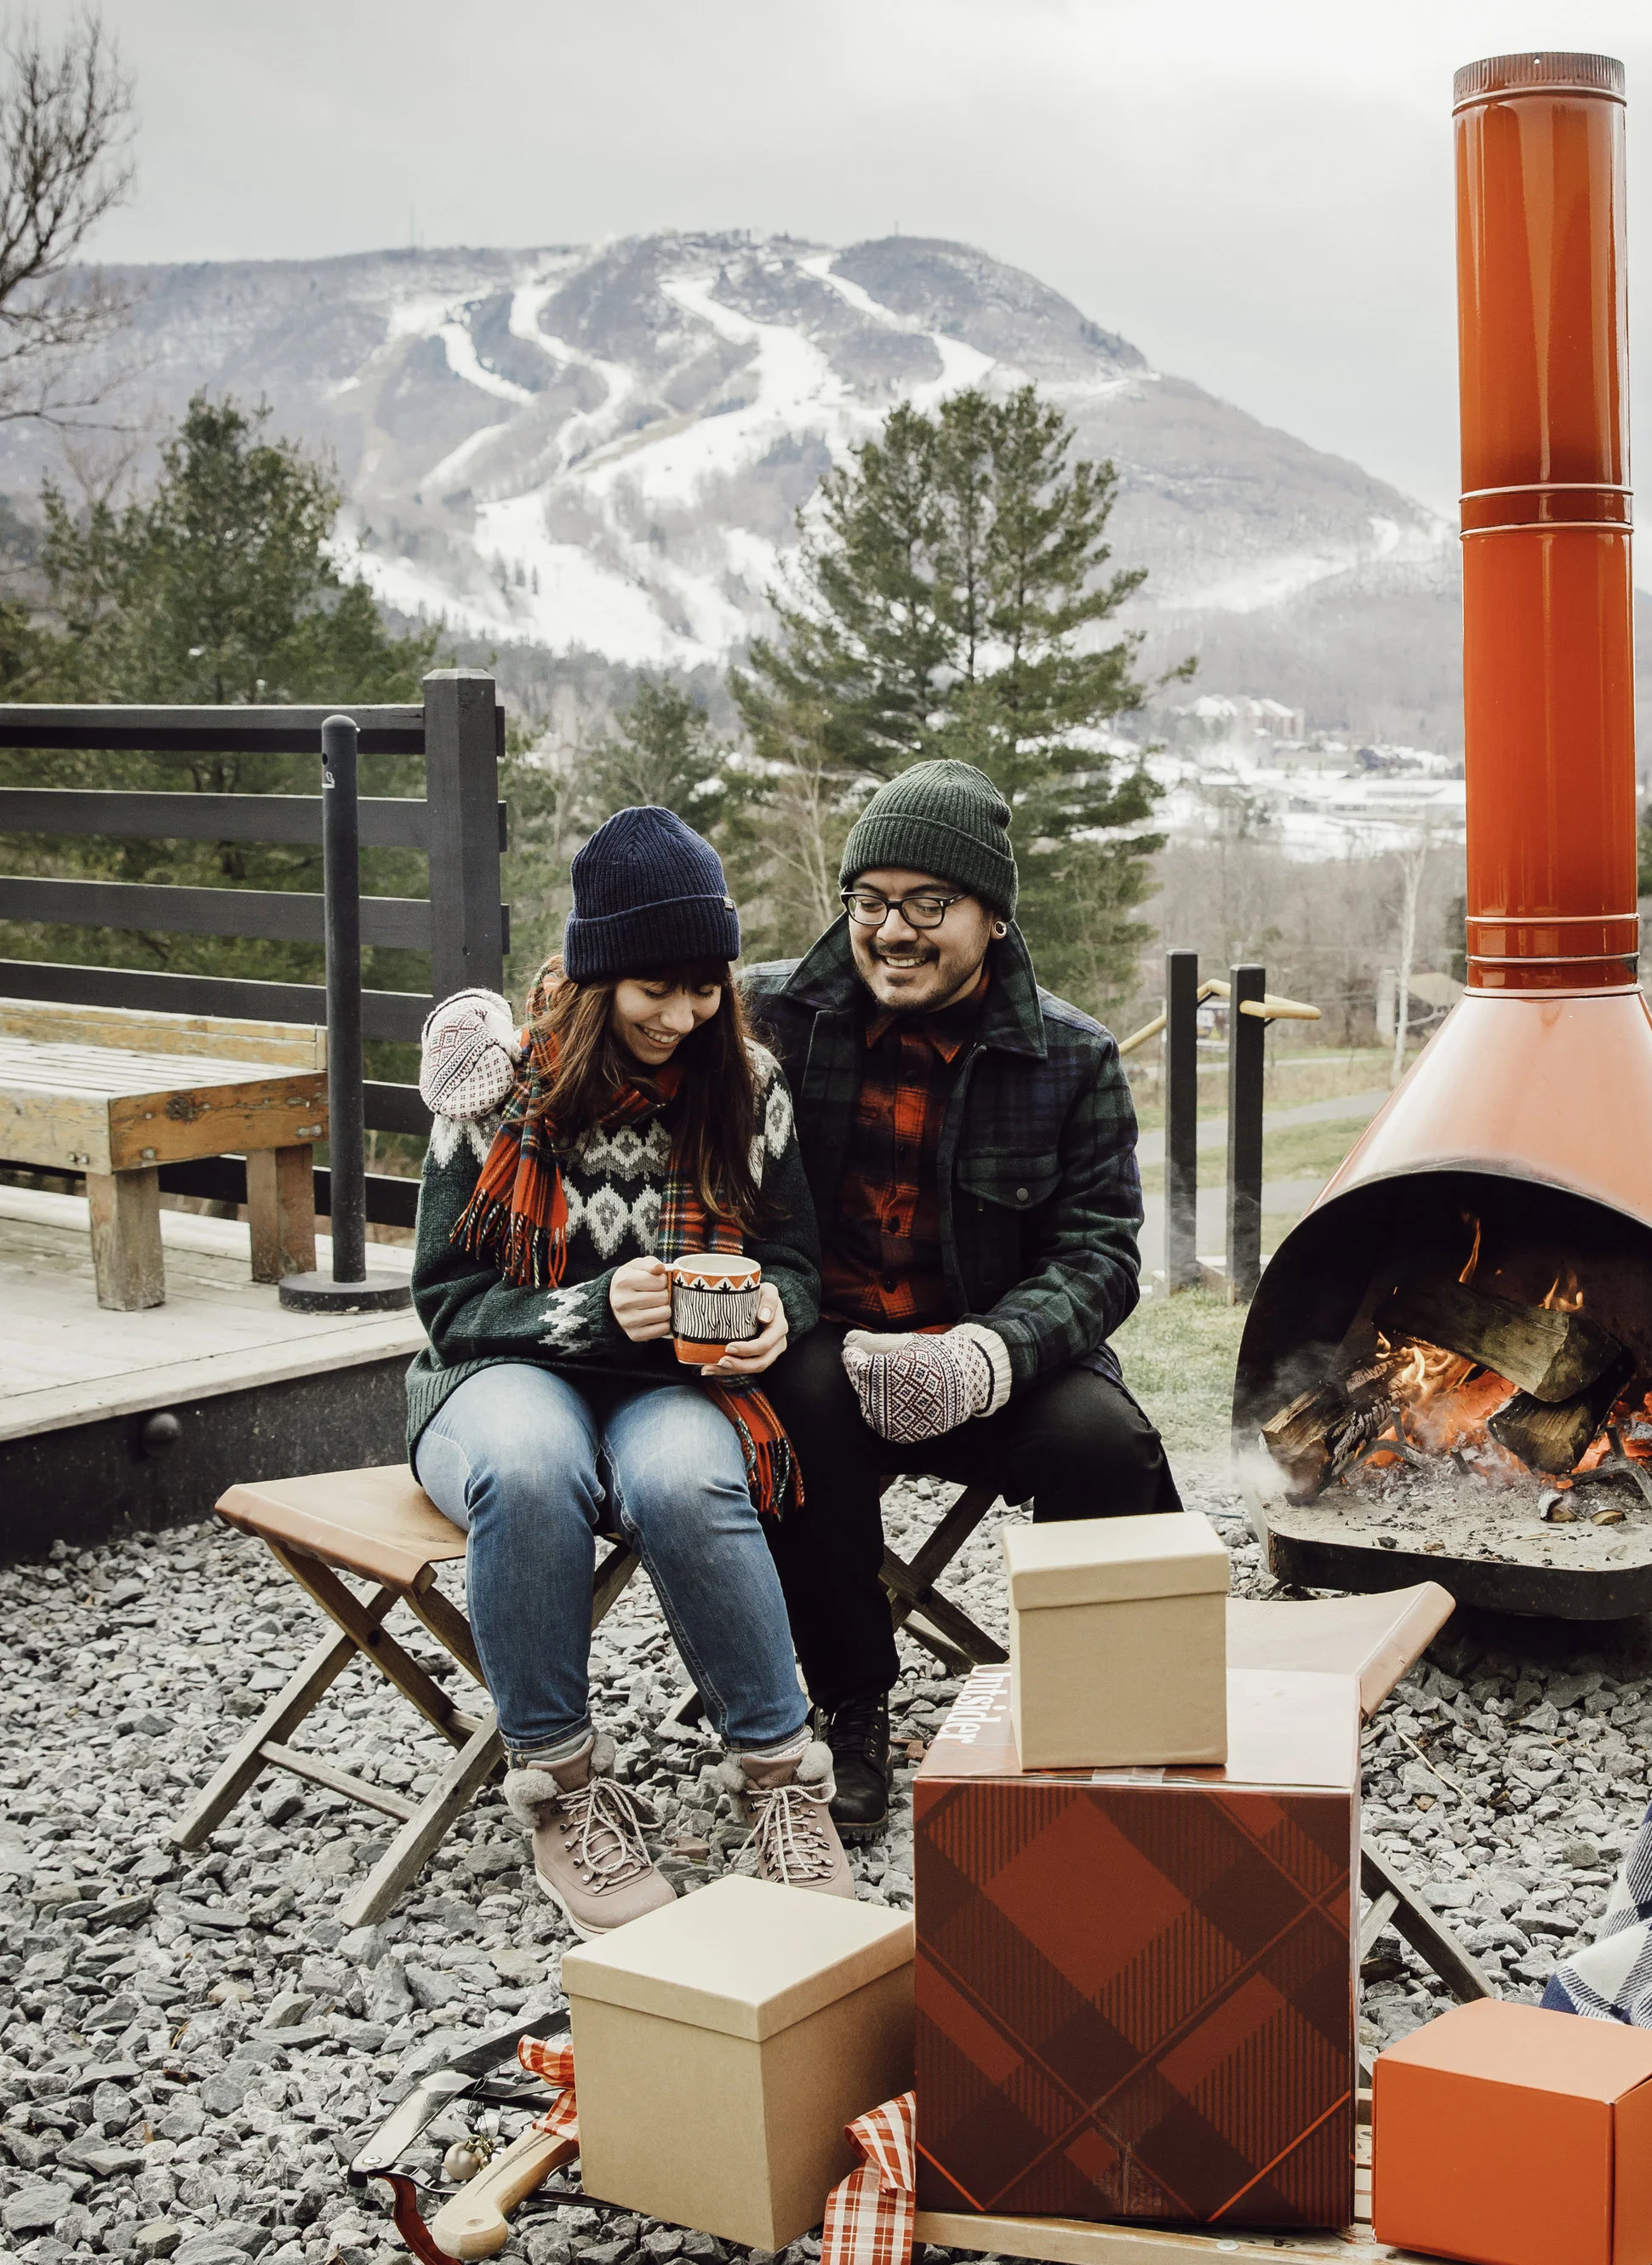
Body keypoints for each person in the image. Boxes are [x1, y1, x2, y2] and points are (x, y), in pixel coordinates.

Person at [409, 804, 851, 1930]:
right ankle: (560, 1786)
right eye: (657, 988)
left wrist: (771, 1319)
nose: (683, 1013)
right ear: (602, 978)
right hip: (500, 1374)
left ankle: (784, 1782)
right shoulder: (500, 1090)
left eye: (705, 986)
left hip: (673, 1384)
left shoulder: (747, 1084)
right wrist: (588, 1308)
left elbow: (799, 1265)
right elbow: (449, 1304)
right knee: (527, 1463)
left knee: (686, 1481)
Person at [745, 757, 1180, 1829]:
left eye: (928, 904)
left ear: (991, 917)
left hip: (987, 1358)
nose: (893, 931)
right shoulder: (768, 1019)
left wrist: (983, 1355)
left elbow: (1100, 1256)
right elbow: (625, 1025)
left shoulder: (1070, 1058)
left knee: (1104, 1442)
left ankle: (1103, 1714)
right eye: (870, 901)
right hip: (829, 1350)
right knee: (795, 1408)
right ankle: (849, 1711)